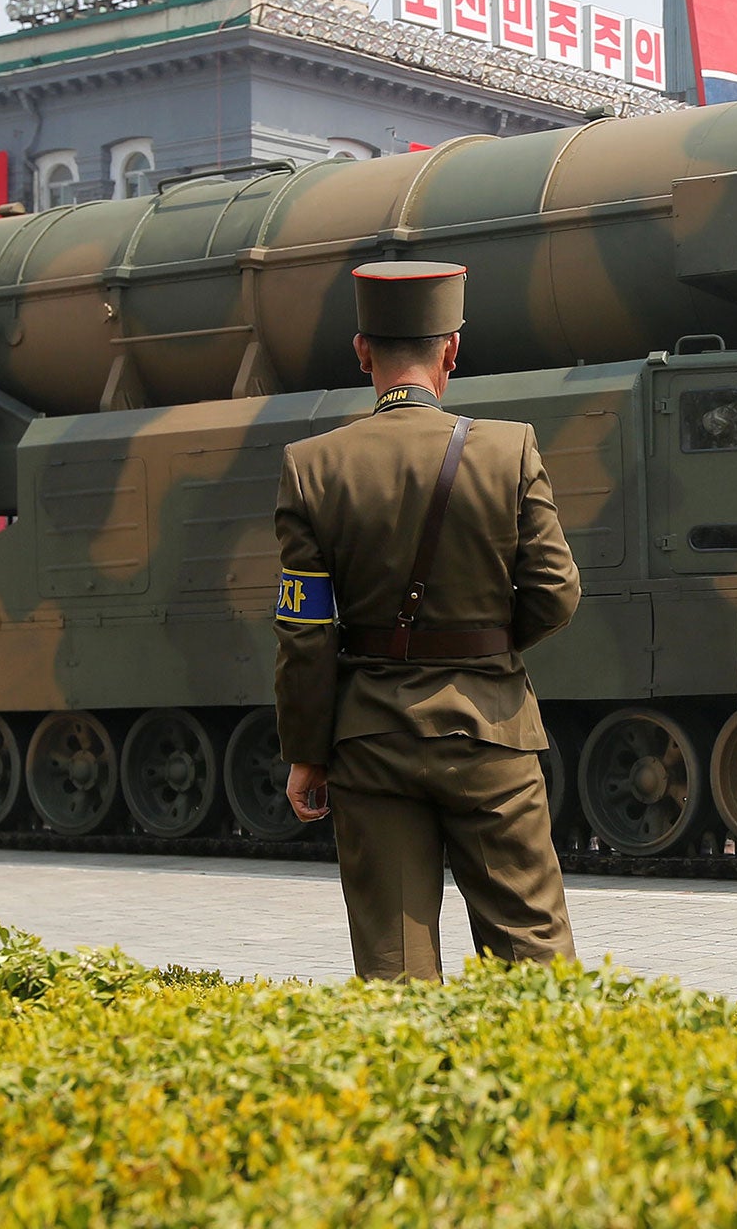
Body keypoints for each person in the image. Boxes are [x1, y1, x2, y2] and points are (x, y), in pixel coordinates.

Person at [274, 261, 582, 981]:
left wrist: (307, 753)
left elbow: (305, 631)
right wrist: (487, 646)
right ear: (451, 351)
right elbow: (557, 592)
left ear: (361, 352)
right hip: (492, 729)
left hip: (370, 740)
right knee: (533, 964)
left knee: (395, 971)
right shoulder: (509, 451)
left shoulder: (311, 467)